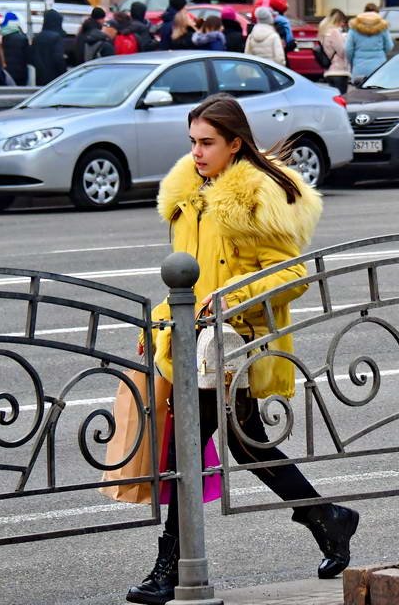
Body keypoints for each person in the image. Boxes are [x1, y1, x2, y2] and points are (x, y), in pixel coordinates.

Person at [126, 95, 360, 604]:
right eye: (192, 142)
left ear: (236, 143)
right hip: (195, 343)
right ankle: (328, 518)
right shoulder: (192, 195)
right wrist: (163, 321)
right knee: (246, 445)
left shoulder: (258, 195)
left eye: (208, 143)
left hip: (237, 346)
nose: (197, 153)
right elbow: (187, 275)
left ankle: (170, 568)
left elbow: (291, 275)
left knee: (186, 450)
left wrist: (231, 301)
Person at [345, 9, 393, 84]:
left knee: (359, 92)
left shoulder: (354, 29)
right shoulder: (382, 28)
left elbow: (348, 49)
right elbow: (389, 46)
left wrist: (352, 61)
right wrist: (381, 53)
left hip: (359, 66)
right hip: (379, 66)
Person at [30, 9, 68, 85]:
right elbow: (58, 59)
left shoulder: (37, 38)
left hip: (39, 78)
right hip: (54, 79)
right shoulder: (56, 37)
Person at [318, 9, 350, 95]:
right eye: (343, 21)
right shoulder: (334, 32)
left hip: (329, 71)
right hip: (339, 71)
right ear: (338, 20)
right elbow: (342, 51)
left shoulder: (324, 32)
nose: (343, 24)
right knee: (342, 98)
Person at [0, 12, 30, 85]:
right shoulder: (22, 38)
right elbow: (28, 56)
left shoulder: (3, 37)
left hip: (7, 72)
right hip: (20, 72)